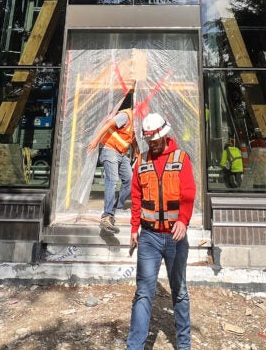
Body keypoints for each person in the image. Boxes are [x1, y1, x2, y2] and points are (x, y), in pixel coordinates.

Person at [127, 113, 196, 350]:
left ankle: (184, 344)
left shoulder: (181, 158)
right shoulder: (142, 161)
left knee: (179, 291)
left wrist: (184, 221)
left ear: (165, 135)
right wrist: (134, 228)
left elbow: (188, 193)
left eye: (155, 140)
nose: (152, 144)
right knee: (144, 293)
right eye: (149, 140)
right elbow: (136, 196)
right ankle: (134, 346)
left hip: (175, 238)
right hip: (149, 237)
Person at [86, 93, 137, 234]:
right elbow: (108, 124)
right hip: (109, 149)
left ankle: (117, 208)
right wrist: (96, 141)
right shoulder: (126, 115)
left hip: (121, 153)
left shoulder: (136, 120)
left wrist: (136, 150)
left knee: (130, 180)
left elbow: (131, 137)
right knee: (112, 180)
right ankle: (107, 216)